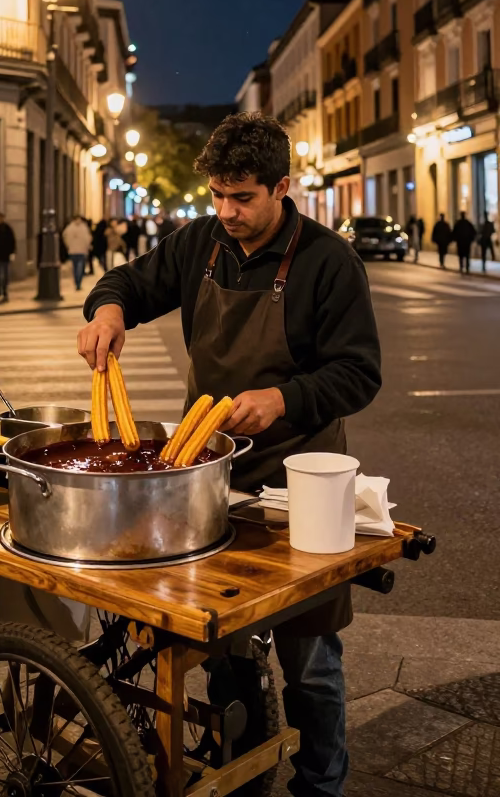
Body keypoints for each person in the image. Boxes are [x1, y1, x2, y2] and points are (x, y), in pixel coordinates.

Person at [78, 112, 382, 797]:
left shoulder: (329, 263)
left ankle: (318, 784)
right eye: (218, 195)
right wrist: (107, 311)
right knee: (220, 647)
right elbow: (130, 281)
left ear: (282, 187)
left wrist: (284, 398)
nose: (227, 211)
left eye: (242, 197)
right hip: (208, 479)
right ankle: (242, 771)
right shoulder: (200, 245)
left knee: (309, 659)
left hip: (298, 481)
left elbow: (360, 373)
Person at [62, 214, 92, 291]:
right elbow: (88, 238)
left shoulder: (70, 228)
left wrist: (69, 246)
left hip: (77, 251)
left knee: (78, 267)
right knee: (78, 267)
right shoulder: (82, 227)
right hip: (78, 251)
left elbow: (65, 237)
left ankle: (77, 282)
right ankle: (78, 283)